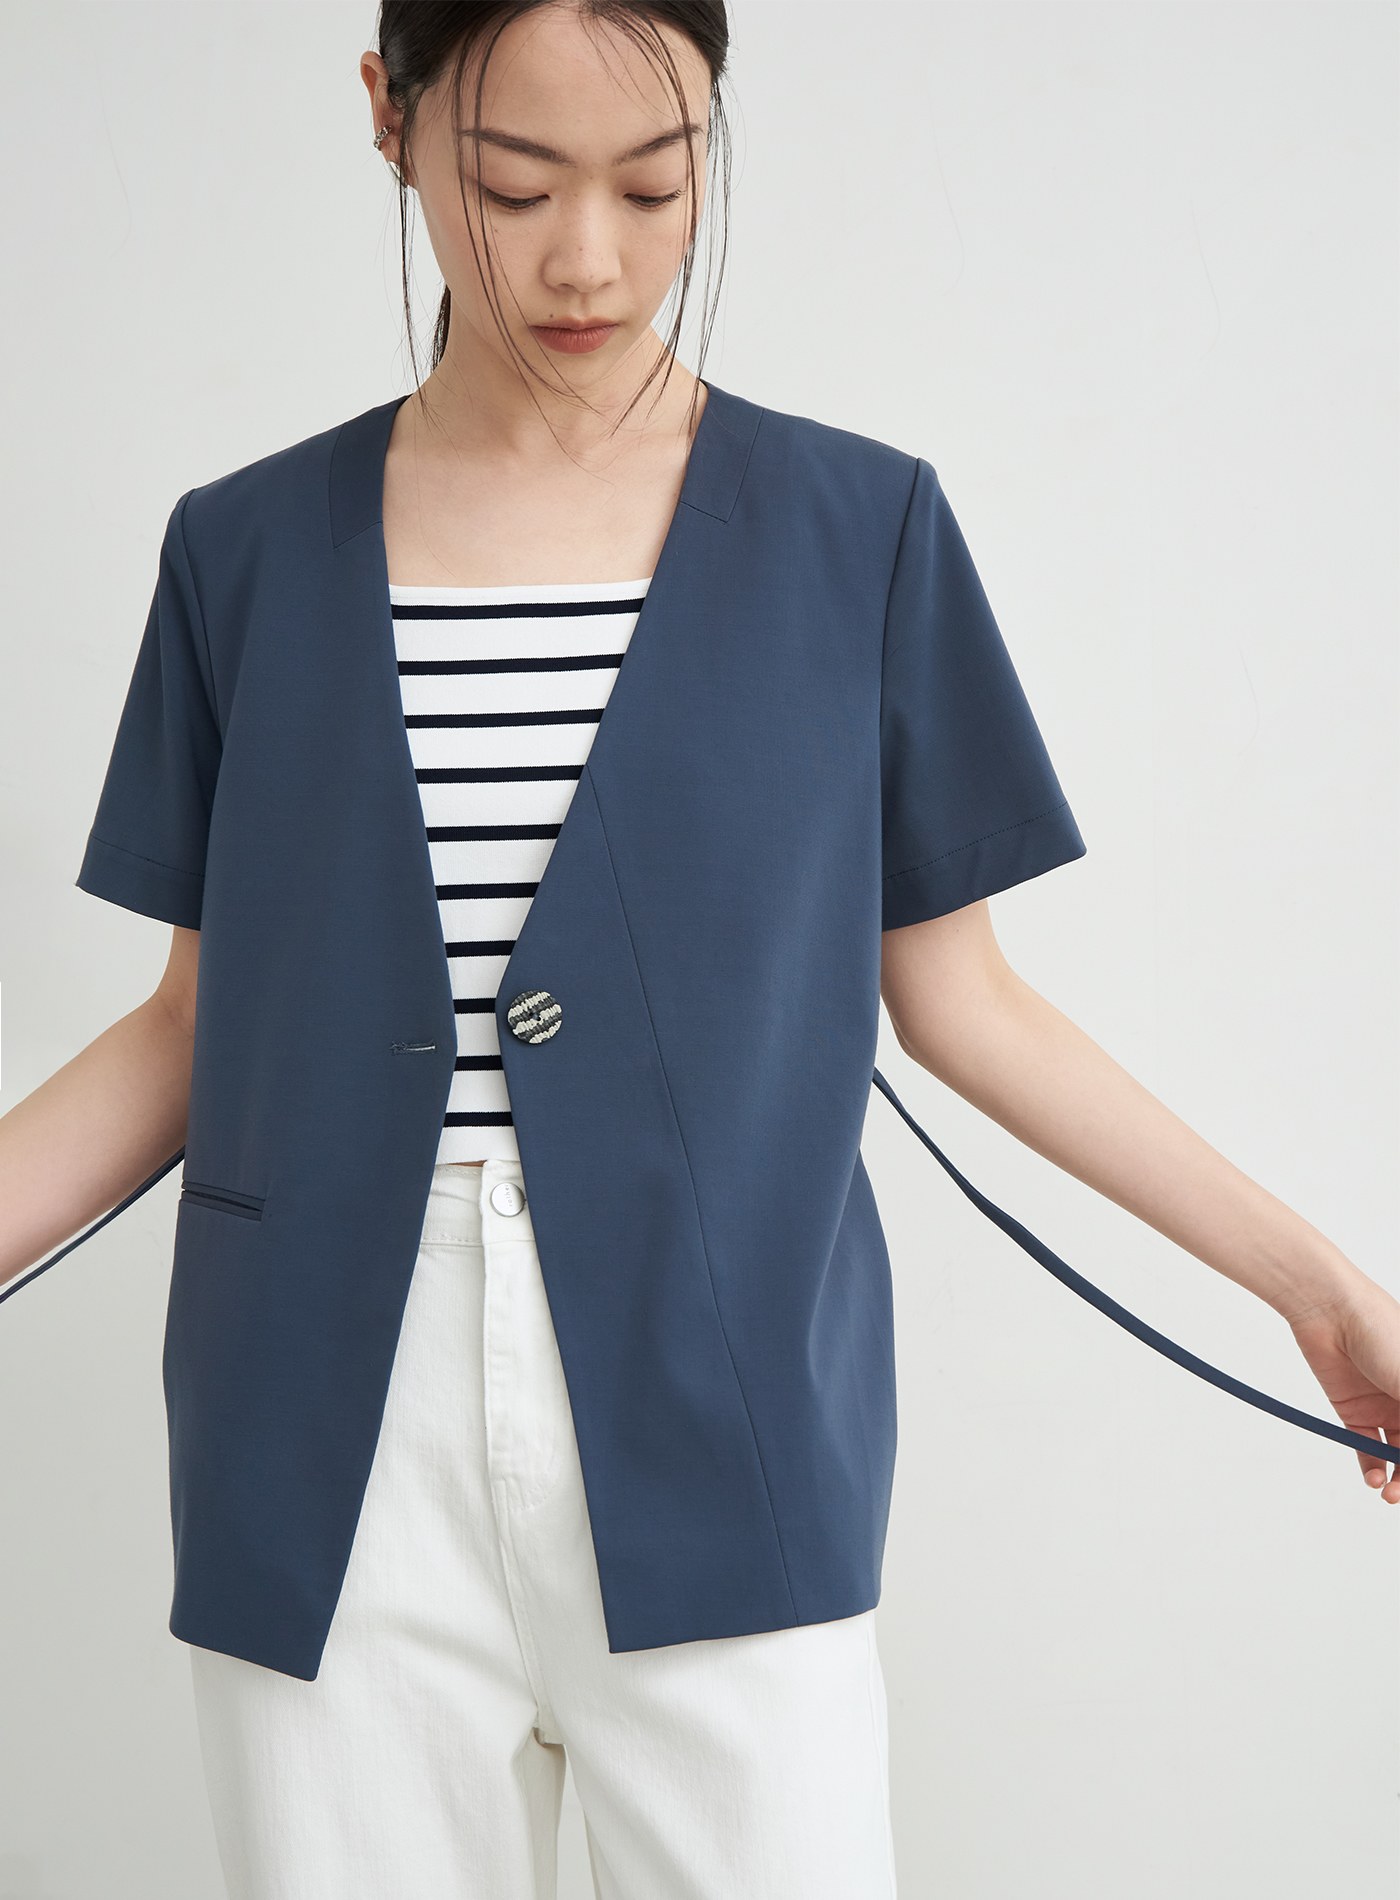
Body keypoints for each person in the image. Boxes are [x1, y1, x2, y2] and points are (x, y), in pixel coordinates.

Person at [3, 5, 1397, 1897]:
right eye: (514, 188)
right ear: (387, 118)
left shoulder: (858, 530)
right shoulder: (240, 553)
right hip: (319, 1425)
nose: (590, 259)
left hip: (726, 1394)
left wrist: (1321, 1289)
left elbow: (968, 1002)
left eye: (657, 187)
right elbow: (190, 1025)